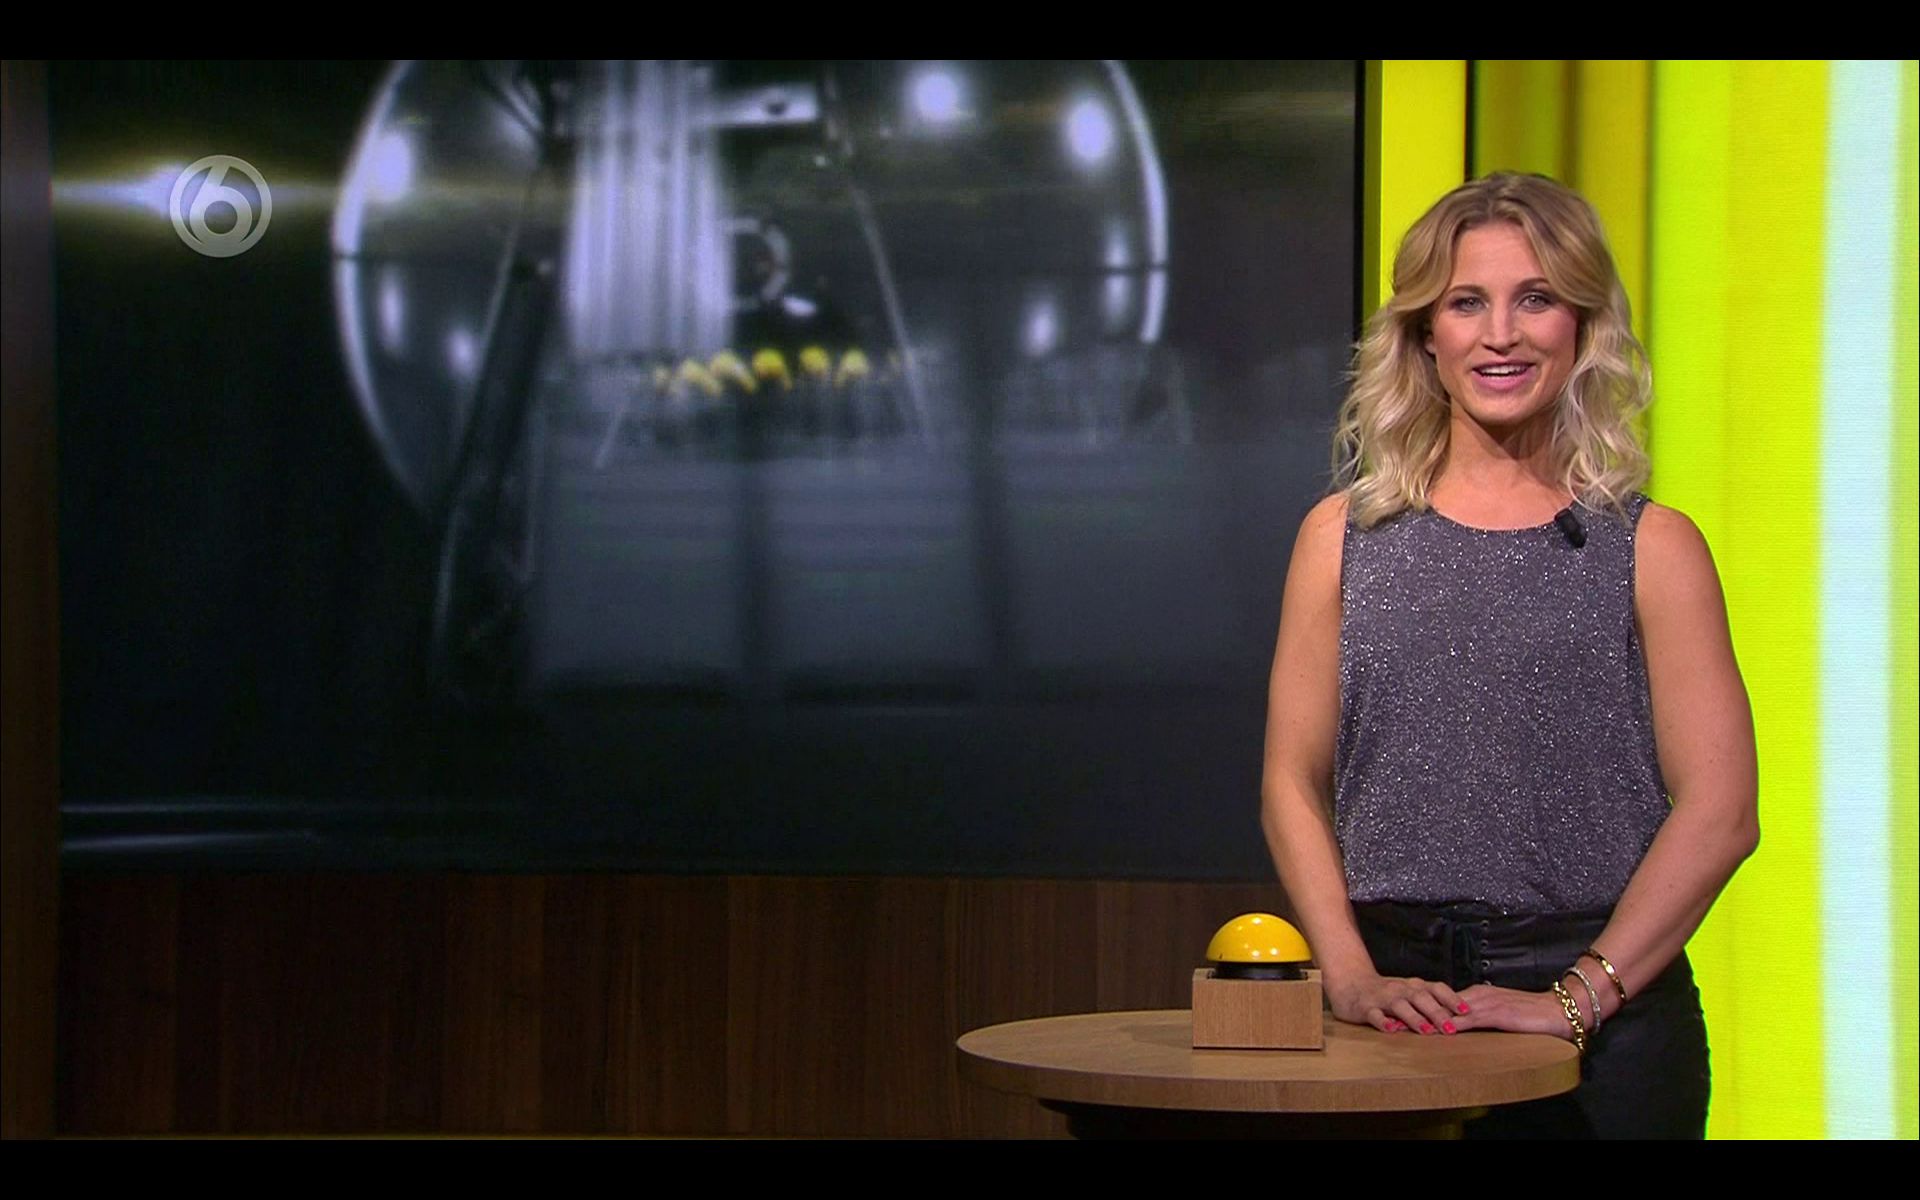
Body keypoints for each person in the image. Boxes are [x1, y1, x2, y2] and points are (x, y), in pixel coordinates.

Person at [1260, 172, 1758, 1139]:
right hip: (1389, 1001)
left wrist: (1577, 997)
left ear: (1581, 326)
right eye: (1466, 303)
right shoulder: (1341, 539)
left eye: (1535, 299)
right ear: (1423, 333)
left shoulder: (1652, 548)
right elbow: (1290, 779)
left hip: (1606, 1017)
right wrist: (1349, 976)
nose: (1501, 334)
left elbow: (1723, 810)